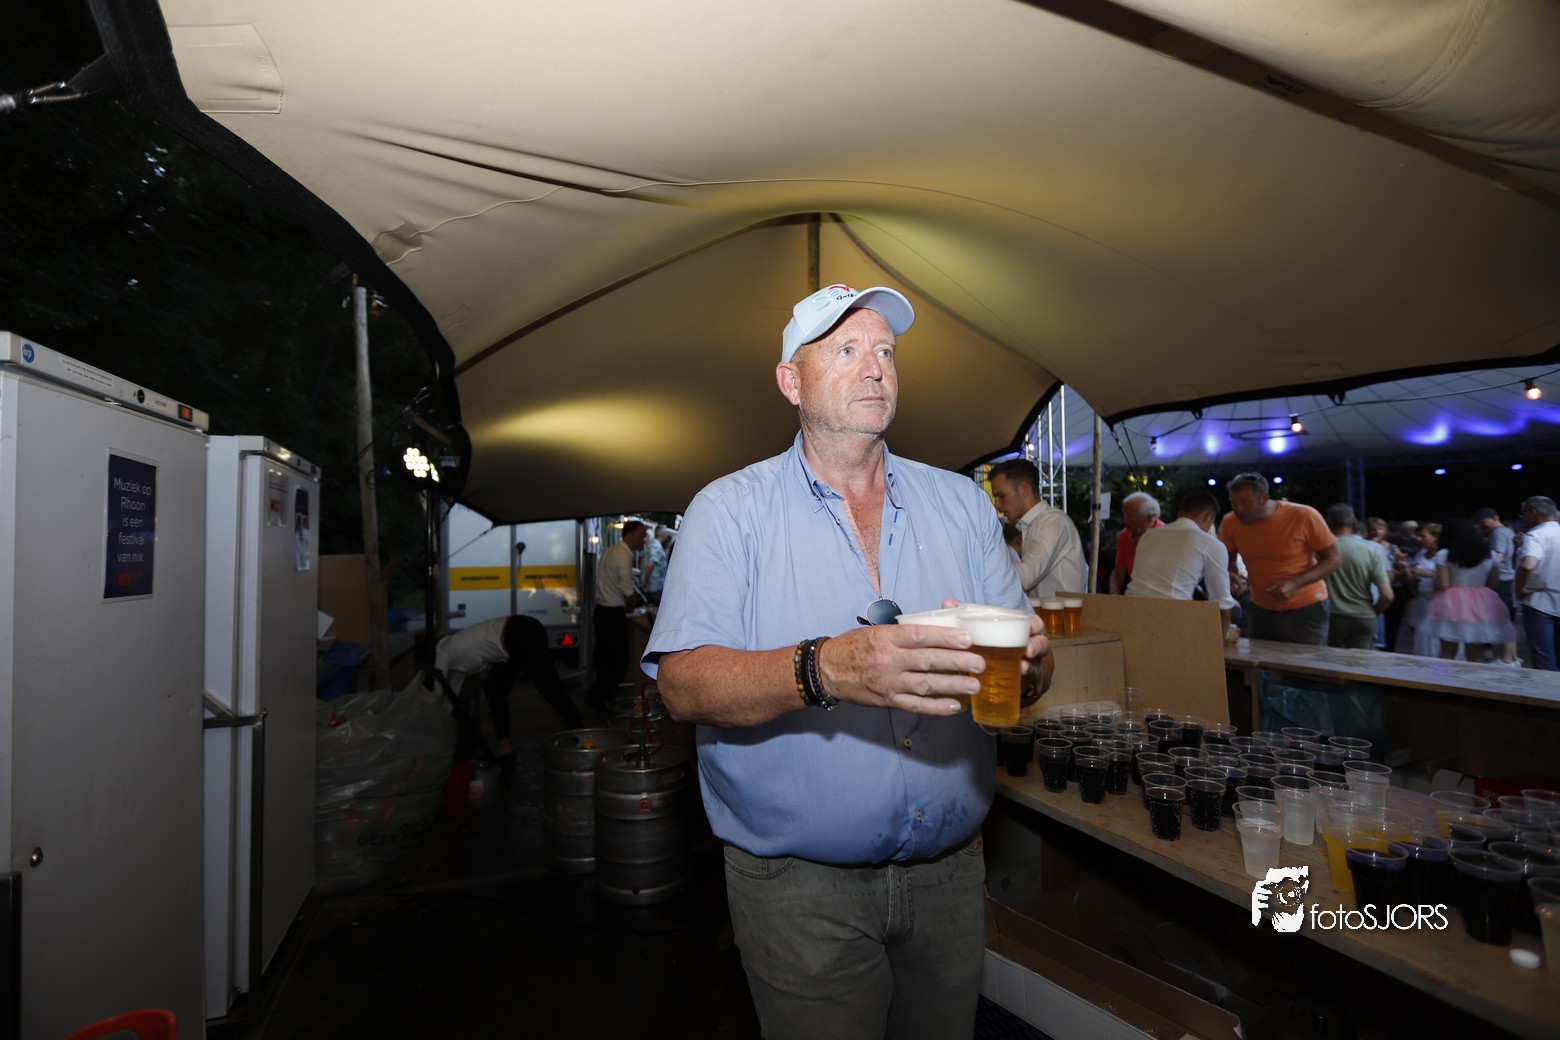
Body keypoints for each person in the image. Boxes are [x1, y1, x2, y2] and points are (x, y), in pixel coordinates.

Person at [644, 283, 1051, 1040]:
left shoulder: (962, 505)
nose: (876, 368)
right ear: (790, 382)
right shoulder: (727, 511)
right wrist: (825, 669)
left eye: (887, 352)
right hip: (799, 891)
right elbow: (682, 685)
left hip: (950, 871)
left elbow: (1021, 667)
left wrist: (1032, 665)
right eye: (847, 350)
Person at [433, 615, 583, 769]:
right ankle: (505, 748)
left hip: (520, 632)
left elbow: (433, 697)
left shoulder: (442, 651)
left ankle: (584, 739)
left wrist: (429, 731)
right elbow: (449, 698)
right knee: (494, 687)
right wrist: (440, 725)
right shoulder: (455, 664)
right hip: (513, 642)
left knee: (551, 689)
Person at [1218, 473, 1341, 645]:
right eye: (1233, 502)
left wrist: (1295, 583)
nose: (1238, 509)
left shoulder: (1304, 515)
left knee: (1309, 661)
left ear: (1264, 498)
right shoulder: (1230, 522)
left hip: (1308, 607)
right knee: (1262, 661)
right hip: (1260, 608)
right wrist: (1232, 573)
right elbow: (1228, 558)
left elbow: (1334, 559)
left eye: (1245, 502)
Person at [1124, 488, 1237, 628]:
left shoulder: (1148, 536)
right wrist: (1225, 635)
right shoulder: (1210, 543)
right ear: (1207, 516)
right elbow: (1222, 605)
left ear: (1180, 513)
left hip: (1130, 615)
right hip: (1171, 621)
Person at [989, 457, 1086, 603]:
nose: (997, 505)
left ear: (1024, 489)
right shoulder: (1033, 524)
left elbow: (1024, 578)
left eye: (1001, 496)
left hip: (1062, 617)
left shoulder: (1054, 522)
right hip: (1047, 615)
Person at [1424, 516, 1518, 664]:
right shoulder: (1490, 554)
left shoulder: (1444, 554)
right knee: (1475, 654)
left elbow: (1443, 585)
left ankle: (1442, 678)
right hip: (1481, 602)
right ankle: (1474, 679)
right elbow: (1493, 583)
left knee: (1447, 652)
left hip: (1450, 603)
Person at [592, 519, 648, 708]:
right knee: (617, 661)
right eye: (641, 536)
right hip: (612, 614)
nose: (643, 540)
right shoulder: (624, 554)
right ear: (629, 535)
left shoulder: (610, 551)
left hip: (601, 611)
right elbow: (625, 585)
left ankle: (598, 698)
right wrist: (632, 601)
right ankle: (603, 701)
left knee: (605, 659)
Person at [1322, 504, 1393, 650]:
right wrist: (1374, 612)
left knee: (1328, 660)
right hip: (1364, 617)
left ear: (1327, 524)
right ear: (1354, 524)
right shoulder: (1371, 551)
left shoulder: (1320, 550)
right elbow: (1387, 596)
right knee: (1359, 662)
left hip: (1330, 617)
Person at [1516, 496, 1560, 670]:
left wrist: (1519, 589)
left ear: (1532, 513)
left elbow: (1527, 566)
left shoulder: (1536, 535)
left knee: (1544, 659)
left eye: (1523, 514)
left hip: (1539, 603)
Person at [1394, 522, 1441, 655]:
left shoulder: (1443, 555)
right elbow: (1413, 581)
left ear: (1436, 537)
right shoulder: (1421, 554)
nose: (1419, 540)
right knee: (1423, 636)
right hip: (1422, 601)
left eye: (1423, 536)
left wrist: (1428, 574)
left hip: (1438, 601)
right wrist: (1405, 568)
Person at [1109, 492, 1164, 595]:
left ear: (1149, 518)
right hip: (1137, 596)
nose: (1124, 520)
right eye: (1124, 514)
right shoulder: (1124, 536)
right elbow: (1118, 573)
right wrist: (1114, 594)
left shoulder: (1165, 537)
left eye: (1130, 516)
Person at [1473, 507, 1517, 618]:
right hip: (1510, 579)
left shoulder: (1497, 533)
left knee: (1498, 617)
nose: (1481, 525)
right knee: (1507, 616)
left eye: (1483, 522)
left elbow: (1498, 557)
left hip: (1501, 580)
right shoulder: (1508, 531)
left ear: (1494, 518)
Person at [640, 521, 670, 605]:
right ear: (663, 535)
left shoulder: (651, 544)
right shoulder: (657, 546)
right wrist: (645, 581)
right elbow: (650, 565)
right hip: (654, 586)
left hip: (652, 586)